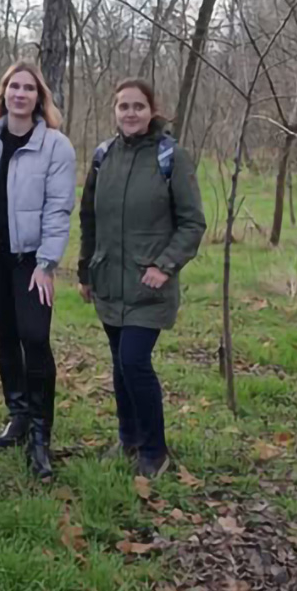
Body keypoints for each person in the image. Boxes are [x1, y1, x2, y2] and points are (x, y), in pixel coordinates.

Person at [78, 78, 206, 478]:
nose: (130, 113)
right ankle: (128, 438)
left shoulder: (172, 157)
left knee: (134, 361)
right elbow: (89, 219)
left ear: (152, 111)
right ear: (113, 111)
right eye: (123, 107)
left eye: (138, 106)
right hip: (108, 282)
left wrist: (164, 265)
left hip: (149, 286)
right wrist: (85, 269)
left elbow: (192, 223)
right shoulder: (103, 157)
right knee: (119, 364)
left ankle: (155, 450)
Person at [0, 62, 75, 479]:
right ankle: (18, 415)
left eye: (29, 88)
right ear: (3, 93)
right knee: (6, 336)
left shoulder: (56, 147)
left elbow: (59, 208)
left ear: (39, 98)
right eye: (14, 86)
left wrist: (47, 264)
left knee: (35, 337)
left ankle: (41, 436)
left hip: (31, 261)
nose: (20, 94)